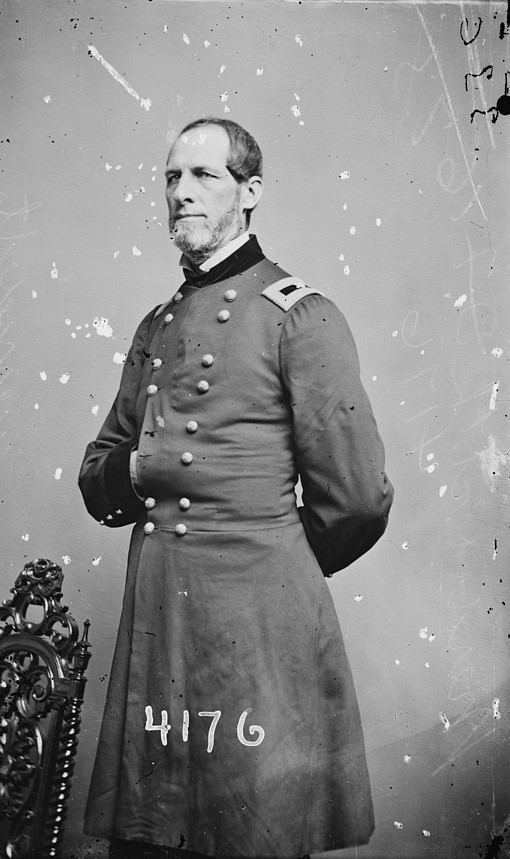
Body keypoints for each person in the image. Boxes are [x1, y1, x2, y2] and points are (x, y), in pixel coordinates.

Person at [78, 117, 394, 859]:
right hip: (162, 631)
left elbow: (356, 498)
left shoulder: (299, 316)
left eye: (203, 176)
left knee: (252, 834)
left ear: (250, 192)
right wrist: (140, 470)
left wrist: (269, 560)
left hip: (255, 633)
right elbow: (98, 477)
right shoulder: (156, 327)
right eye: (171, 177)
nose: (182, 194)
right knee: (154, 841)